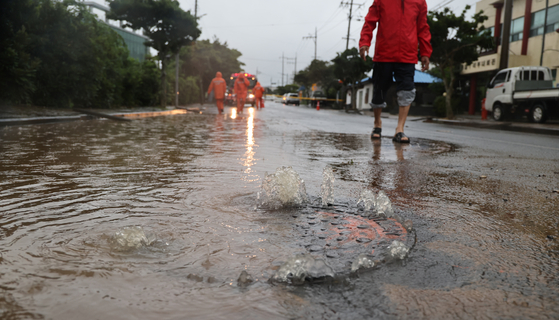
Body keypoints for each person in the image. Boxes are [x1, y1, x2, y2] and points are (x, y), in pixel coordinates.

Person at [359, 0, 432, 143]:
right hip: (384, 53)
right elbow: (370, 21)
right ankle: (377, 124)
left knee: (407, 90)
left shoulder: (419, 2)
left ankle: (399, 129)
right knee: (379, 90)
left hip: (407, 55)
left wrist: (425, 52)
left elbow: (423, 27)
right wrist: (364, 42)